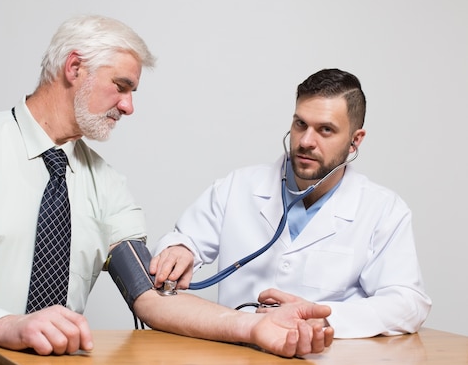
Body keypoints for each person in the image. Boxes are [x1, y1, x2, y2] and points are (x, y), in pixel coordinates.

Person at [0, 15, 333, 365]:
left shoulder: (104, 183)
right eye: (123, 86)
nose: (130, 106)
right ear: (74, 68)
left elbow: (151, 299)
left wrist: (252, 326)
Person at [150, 68, 432, 339]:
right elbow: (185, 239)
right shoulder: (239, 186)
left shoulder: (382, 210)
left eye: (325, 130)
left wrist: (324, 316)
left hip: (326, 364)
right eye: (301, 124)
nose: (306, 141)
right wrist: (179, 248)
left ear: (354, 141)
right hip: (236, 358)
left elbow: (409, 303)